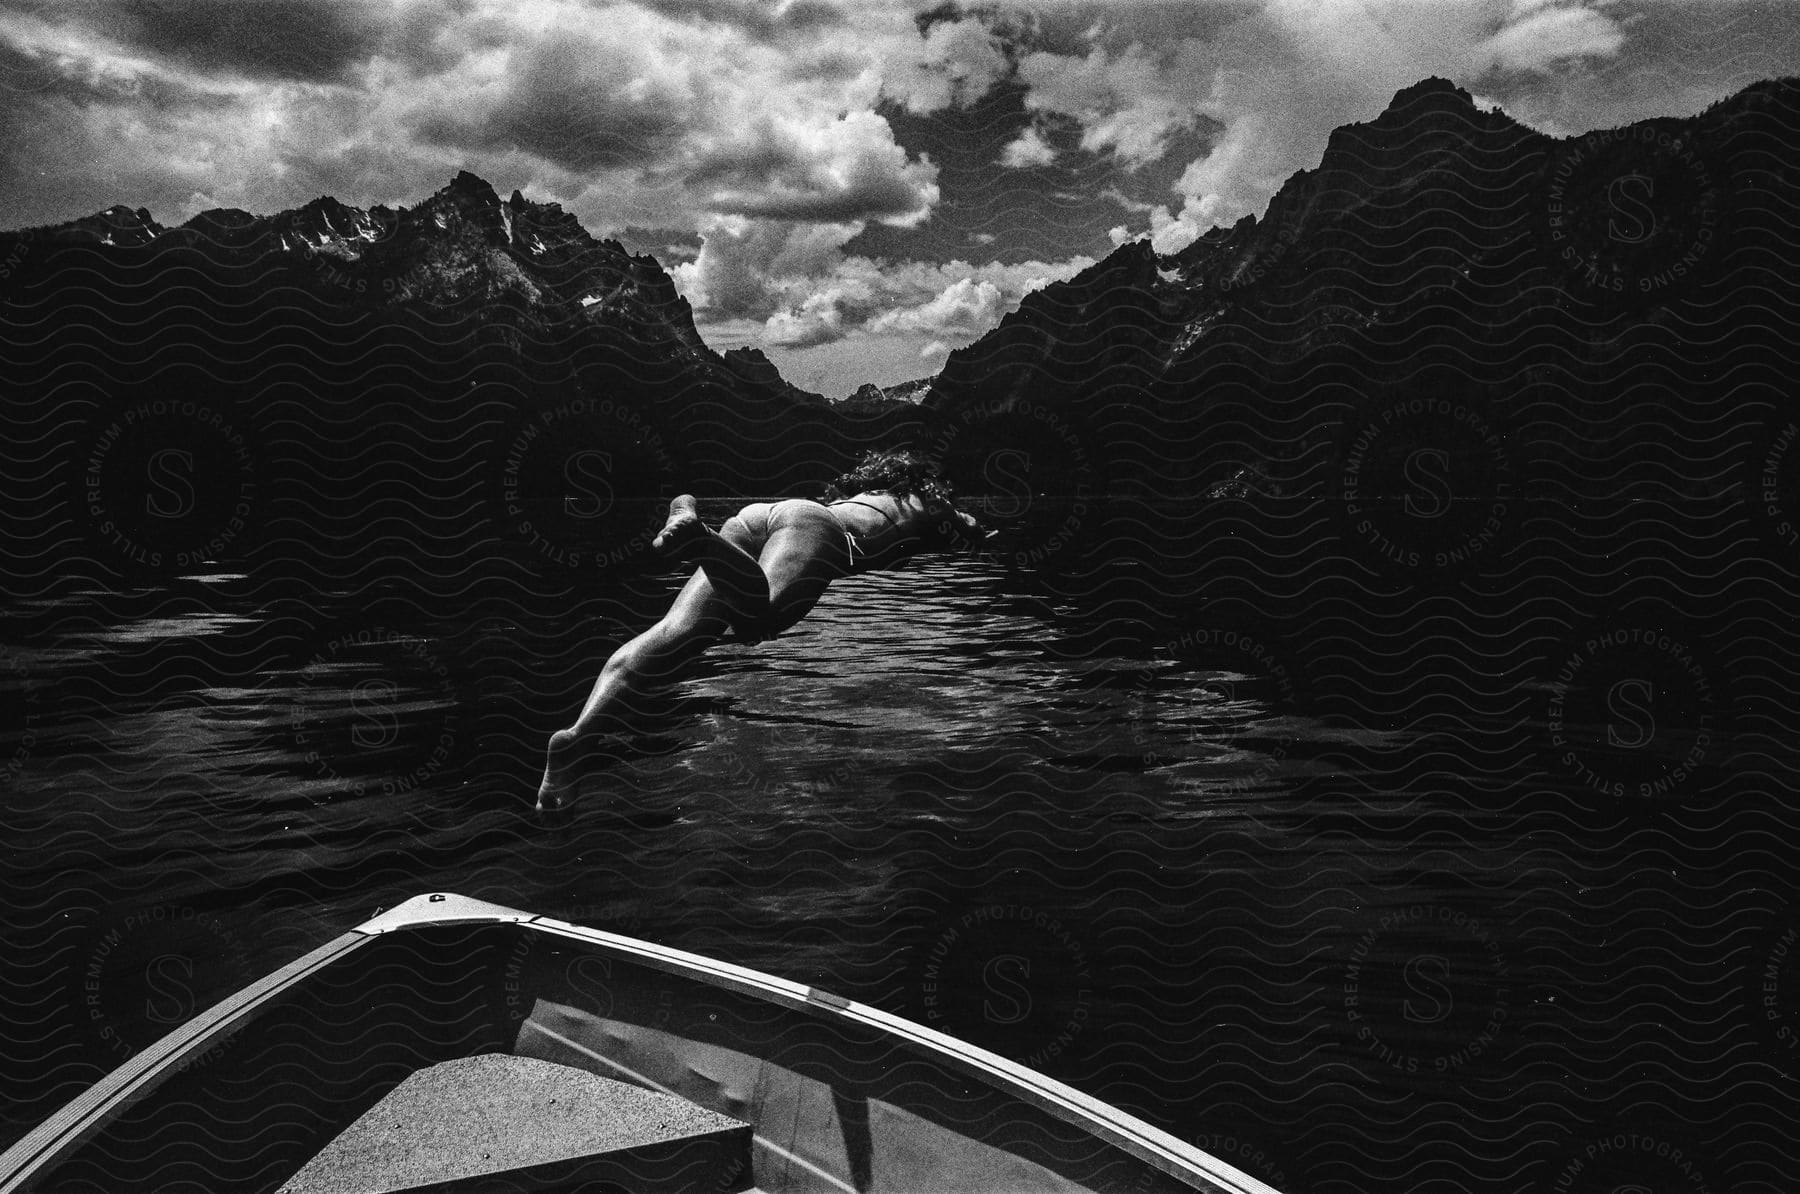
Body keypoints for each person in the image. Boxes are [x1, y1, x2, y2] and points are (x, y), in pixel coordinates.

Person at [536, 450, 988, 810]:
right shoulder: (922, 499)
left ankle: (576, 739)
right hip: (816, 529)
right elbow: (964, 527)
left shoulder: (864, 495)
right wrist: (981, 530)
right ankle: (701, 539)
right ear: (919, 482)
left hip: (760, 517)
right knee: (761, 619)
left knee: (673, 636)